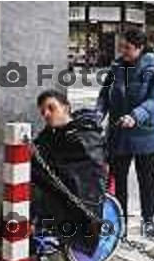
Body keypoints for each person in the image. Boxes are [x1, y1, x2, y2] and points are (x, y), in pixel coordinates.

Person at [97, 29, 154, 237]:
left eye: (127, 48)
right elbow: (104, 96)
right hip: (120, 131)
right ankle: (121, 222)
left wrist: (135, 116)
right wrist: (97, 116)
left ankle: (148, 220)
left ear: (139, 48)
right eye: (122, 47)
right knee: (118, 178)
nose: (123, 51)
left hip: (147, 133)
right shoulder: (116, 67)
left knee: (146, 177)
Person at [32, 90, 106, 250]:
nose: (46, 114)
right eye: (43, 111)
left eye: (51, 108)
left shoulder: (85, 135)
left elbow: (84, 173)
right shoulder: (50, 134)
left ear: (66, 108)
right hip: (55, 189)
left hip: (77, 197)